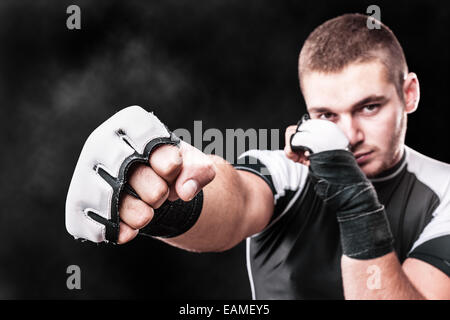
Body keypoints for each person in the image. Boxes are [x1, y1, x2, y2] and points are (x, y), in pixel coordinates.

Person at [65, 13, 450, 299]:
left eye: (369, 107)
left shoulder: (445, 192)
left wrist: (355, 203)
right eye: (326, 116)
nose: (348, 135)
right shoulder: (289, 173)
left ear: (409, 93)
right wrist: (166, 195)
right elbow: (235, 198)